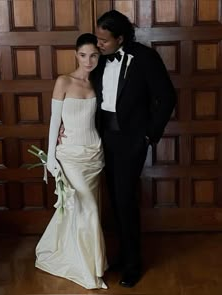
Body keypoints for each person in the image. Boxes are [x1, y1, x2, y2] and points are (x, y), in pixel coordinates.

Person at [92, 10, 177, 287]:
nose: (99, 44)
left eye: (104, 40)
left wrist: (149, 135)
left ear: (120, 38)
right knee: (115, 200)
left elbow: (166, 97)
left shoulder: (144, 58)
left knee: (125, 198)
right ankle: (123, 254)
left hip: (132, 140)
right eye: (97, 38)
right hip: (104, 137)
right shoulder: (99, 60)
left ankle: (133, 264)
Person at [35, 33, 108, 289]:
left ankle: (89, 260)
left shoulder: (98, 83)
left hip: (94, 154)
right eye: (83, 55)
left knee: (84, 209)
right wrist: (50, 157)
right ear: (76, 55)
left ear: (99, 56)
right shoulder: (64, 81)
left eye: (94, 55)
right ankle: (90, 269)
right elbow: (55, 121)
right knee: (88, 208)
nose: (89, 61)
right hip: (70, 155)